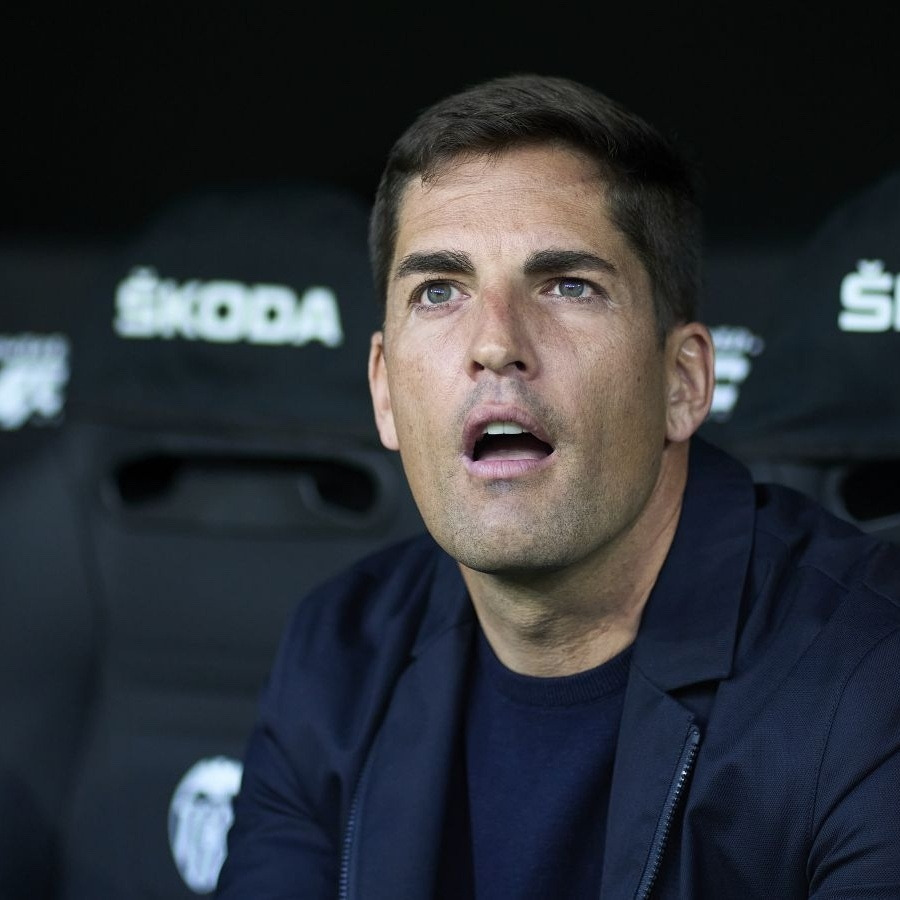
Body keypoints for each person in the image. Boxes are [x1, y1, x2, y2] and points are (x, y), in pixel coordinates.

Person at [215, 74, 900, 899]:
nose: (495, 343)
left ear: (683, 382)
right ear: (385, 391)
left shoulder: (871, 675)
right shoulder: (336, 657)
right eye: (439, 291)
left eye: (568, 285)